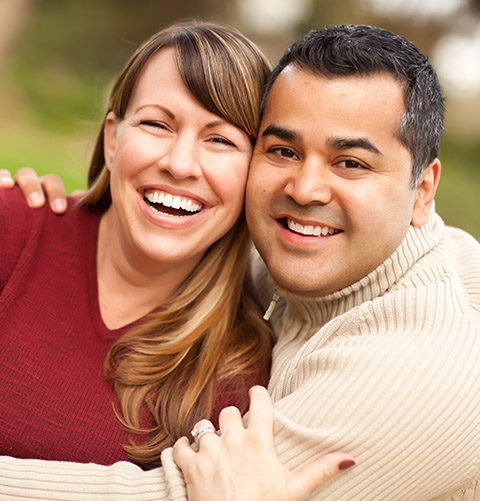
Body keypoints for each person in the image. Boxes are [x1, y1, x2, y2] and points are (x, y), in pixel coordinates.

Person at [3, 22, 479, 500]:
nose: (304, 189)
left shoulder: (422, 372)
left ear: (423, 192)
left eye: (350, 162)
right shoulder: (278, 259)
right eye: (284, 151)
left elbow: (175, 495)